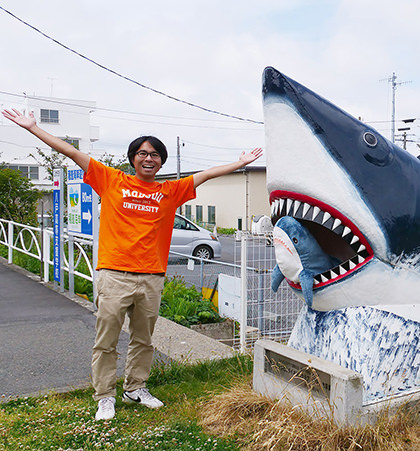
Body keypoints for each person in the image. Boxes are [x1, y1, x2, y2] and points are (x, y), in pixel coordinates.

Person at [2, 108, 263, 421]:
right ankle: (105, 397)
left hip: (151, 278)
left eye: (155, 155)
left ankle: (135, 388)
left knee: (143, 340)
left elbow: (206, 174)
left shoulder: (170, 191)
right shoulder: (111, 180)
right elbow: (71, 152)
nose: (148, 158)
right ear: (133, 158)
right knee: (106, 341)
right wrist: (32, 128)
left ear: (161, 162)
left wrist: (240, 163)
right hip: (114, 275)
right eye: (143, 153)